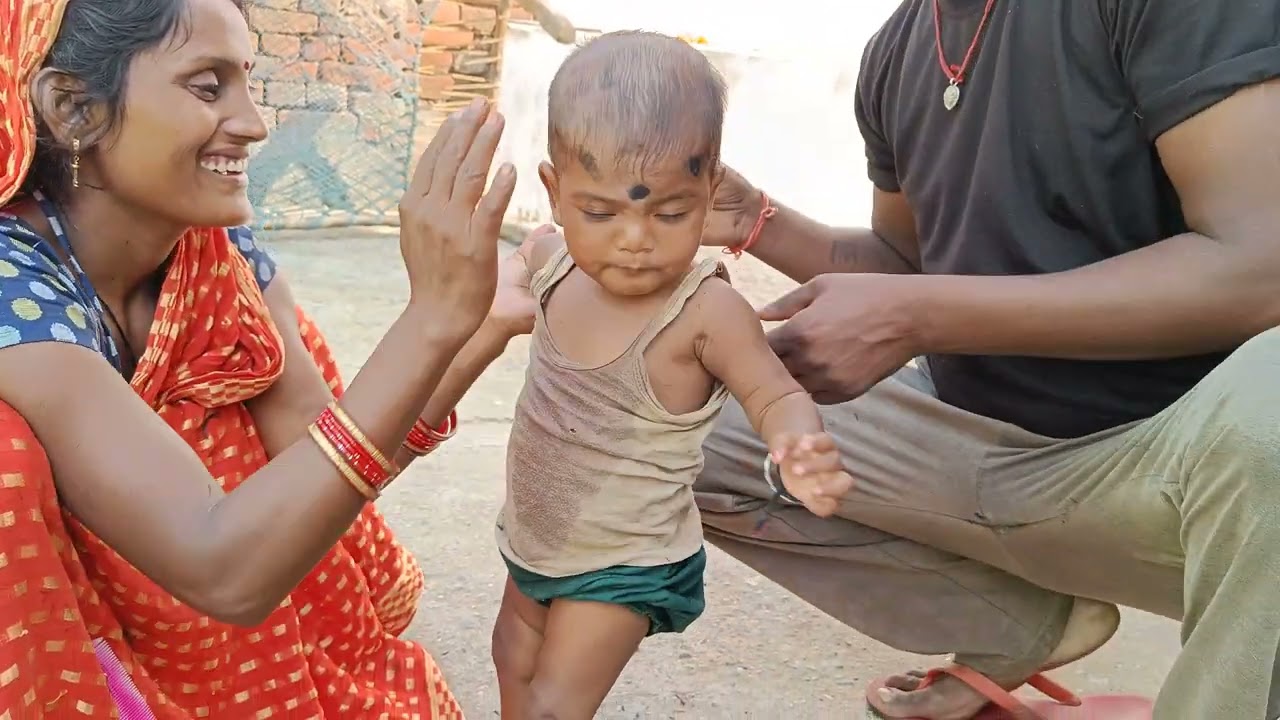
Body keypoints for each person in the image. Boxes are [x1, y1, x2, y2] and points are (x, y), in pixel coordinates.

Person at [691, 0, 1280, 718]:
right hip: (969, 447)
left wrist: (919, 319)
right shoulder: (898, 49)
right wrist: (757, 220)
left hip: (1175, 483)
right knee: (661, 399)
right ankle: (1020, 627)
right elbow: (911, 261)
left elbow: (1261, 268)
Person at [0, 0, 528, 716]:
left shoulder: (218, 255)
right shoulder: (13, 288)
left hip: (213, 616)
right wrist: (430, 322)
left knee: (272, 359)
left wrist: (476, 330)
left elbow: (322, 468)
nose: (254, 122)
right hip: (85, 645)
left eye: (247, 79)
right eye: (208, 86)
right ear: (73, 108)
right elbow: (224, 569)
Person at [487, 31, 854, 720]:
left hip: (627, 561)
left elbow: (774, 391)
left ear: (710, 191)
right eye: (600, 211)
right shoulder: (551, 260)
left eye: (671, 211)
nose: (634, 237)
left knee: (554, 704)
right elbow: (515, 267)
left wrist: (799, 443)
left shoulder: (706, 311)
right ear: (556, 191)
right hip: (538, 536)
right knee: (511, 657)